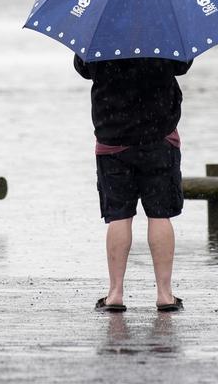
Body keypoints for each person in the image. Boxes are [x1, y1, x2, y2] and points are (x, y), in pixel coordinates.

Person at [74, 53, 191, 313]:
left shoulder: (101, 30)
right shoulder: (163, 26)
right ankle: (165, 295)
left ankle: (115, 294)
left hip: (112, 138)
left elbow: (83, 68)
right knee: (160, 215)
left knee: (119, 216)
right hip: (158, 136)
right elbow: (182, 65)